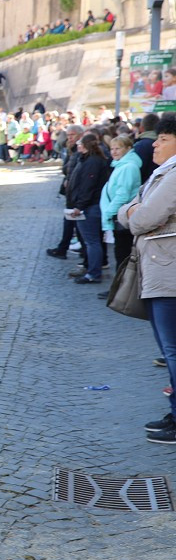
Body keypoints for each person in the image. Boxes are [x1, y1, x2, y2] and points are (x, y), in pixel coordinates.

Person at [118, 117, 176, 444]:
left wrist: (133, 214)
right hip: (159, 271)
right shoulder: (161, 174)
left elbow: (141, 218)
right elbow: (128, 210)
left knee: (173, 350)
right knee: (169, 351)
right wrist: (133, 212)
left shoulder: (173, 175)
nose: (154, 143)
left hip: (169, 274)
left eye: (163, 139)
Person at [65, 133, 110, 284]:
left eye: (80, 143)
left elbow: (87, 186)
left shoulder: (92, 162)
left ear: (85, 145)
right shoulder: (89, 159)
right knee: (91, 241)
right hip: (90, 205)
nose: (78, 145)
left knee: (92, 241)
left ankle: (93, 273)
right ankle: (91, 269)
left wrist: (79, 206)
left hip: (90, 207)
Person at [100, 134, 142, 275]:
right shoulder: (122, 165)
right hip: (119, 214)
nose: (114, 151)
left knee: (122, 255)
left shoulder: (128, 167)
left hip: (122, 216)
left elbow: (122, 194)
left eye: (118, 148)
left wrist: (108, 212)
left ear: (128, 149)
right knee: (121, 254)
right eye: (112, 148)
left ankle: (120, 292)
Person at [133, 113, 161, 183]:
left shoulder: (140, 146)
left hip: (144, 187)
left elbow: (135, 171)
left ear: (141, 128)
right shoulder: (166, 144)